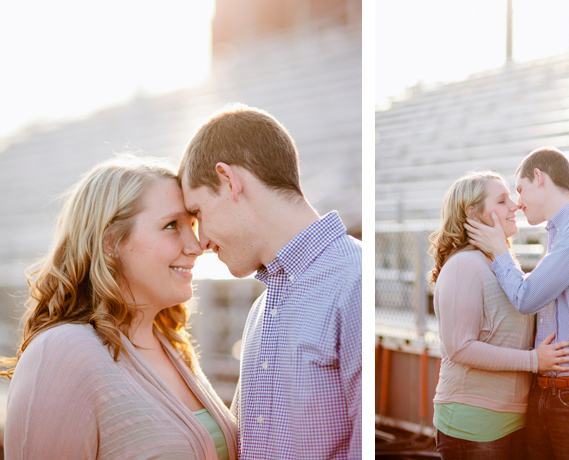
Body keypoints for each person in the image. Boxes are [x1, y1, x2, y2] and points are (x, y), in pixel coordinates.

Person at [0, 155, 238, 460]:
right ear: (110, 242)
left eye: (192, 224)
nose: (196, 245)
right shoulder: (62, 351)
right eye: (171, 225)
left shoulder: (172, 346)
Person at [178, 104, 361, 460]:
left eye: (198, 212)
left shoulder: (353, 280)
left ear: (229, 181)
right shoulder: (263, 309)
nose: (201, 242)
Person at [465, 148, 569, 460]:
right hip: (549, 394)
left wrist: (499, 250)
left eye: (521, 189)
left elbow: (527, 298)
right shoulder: (559, 234)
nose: (519, 202)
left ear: (538, 177)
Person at [430, 170, 569, 460]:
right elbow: (459, 347)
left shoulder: (500, 264)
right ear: (473, 213)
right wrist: (534, 361)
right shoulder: (464, 265)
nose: (515, 207)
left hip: (511, 421)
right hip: (474, 424)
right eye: (502, 201)